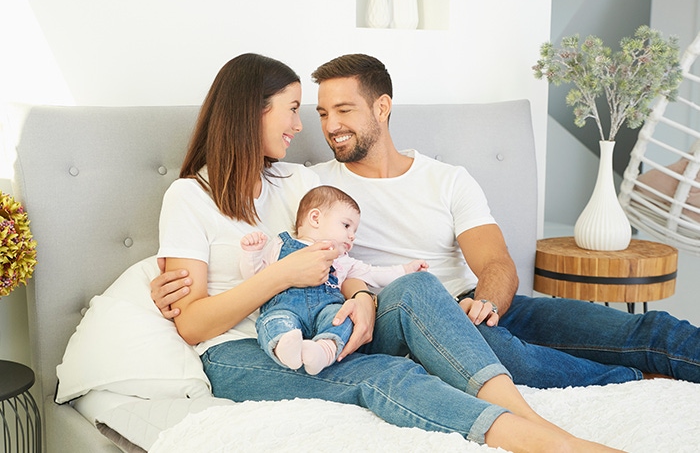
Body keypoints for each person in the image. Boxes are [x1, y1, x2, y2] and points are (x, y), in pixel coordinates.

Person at [155, 52, 621, 451]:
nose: (301, 124)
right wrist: (279, 275)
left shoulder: (298, 181)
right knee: (383, 375)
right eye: (293, 109)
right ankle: (544, 444)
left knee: (417, 285)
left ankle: (535, 422)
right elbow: (192, 324)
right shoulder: (189, 197)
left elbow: (337, 260)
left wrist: (359, 296)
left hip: (323, 326)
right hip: (241, 348)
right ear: (250, 111)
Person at [241, 184, 428, 375]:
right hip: (284, 309)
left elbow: (373, 274)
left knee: (343, 318)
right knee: (273, 321)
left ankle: (324, 350)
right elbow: (256, 278)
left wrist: (406, 270)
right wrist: (252, 254)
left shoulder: (342, 260)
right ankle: (284, 347)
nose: (352, 236)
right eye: (346, 225)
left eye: (354, 230)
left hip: (326, 312)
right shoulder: (282, 245)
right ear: (315, 218)